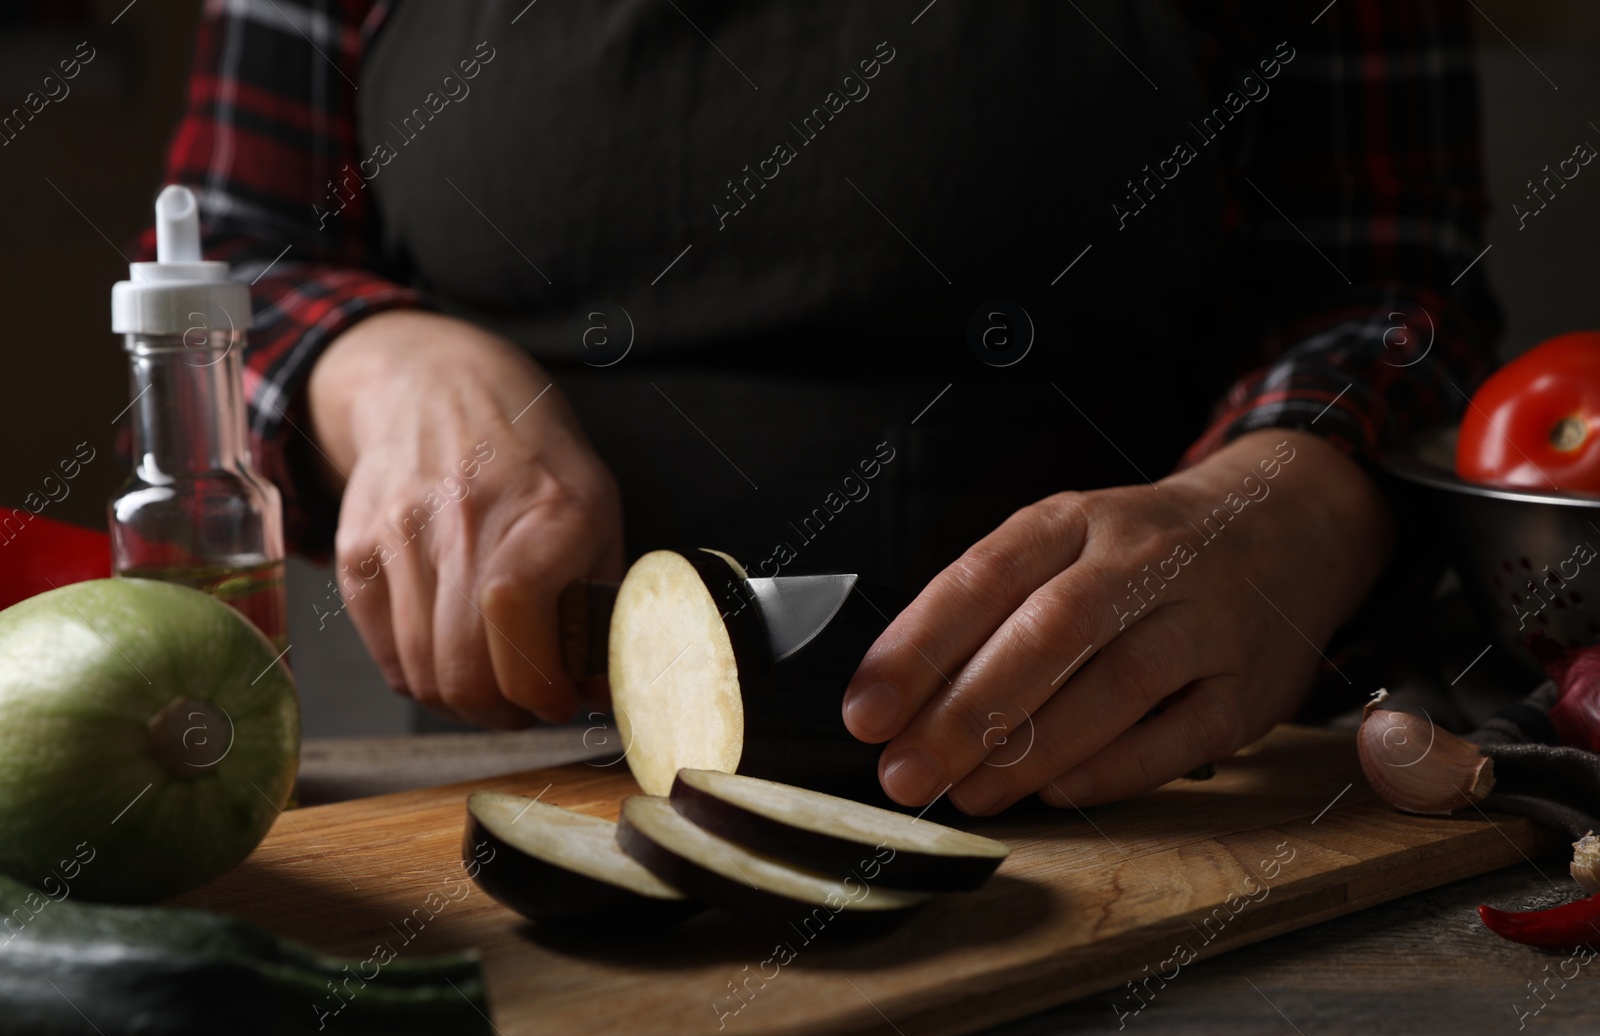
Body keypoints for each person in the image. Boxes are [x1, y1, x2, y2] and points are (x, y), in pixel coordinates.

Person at [140, 0, 1498, 815]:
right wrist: (386, 366)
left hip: (1169, 808)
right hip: (530, 803)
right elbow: (245, 251)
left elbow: (1388, 287)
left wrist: (1294, 498)